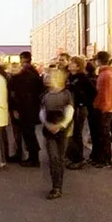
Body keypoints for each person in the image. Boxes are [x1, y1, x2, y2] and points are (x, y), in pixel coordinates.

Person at [39, 68, 75, 200]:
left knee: (59, 158)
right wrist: (47, 125)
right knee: (53, 158)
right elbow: (42, 111)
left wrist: (61, 125)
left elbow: (69, 111)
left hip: (62, 129)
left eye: (50, 77)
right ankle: (55, 186)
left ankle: (58, 185)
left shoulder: (66, 95)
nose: (47, 79)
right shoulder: (45, 96)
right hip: (49, 128)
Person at [8, 51, 43, 167]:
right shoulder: (34, 73)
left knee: (28, 133)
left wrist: (15, 108)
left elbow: (18, 93)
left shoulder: (23, 74)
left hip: (24, 108)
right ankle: (32, 157)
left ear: (22, 59)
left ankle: (33, 158)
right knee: (29, 133)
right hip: (32, 107)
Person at [64, 57, 94, 170]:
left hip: (79, 108)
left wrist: (83, 102)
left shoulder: (82, 78)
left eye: (72, 63)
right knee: (72, 133)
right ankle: (73, 156)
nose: (70, 64)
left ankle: (79, 158)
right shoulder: (70, 77)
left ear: (77, 66)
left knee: (76, 133)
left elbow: (92, 92)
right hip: (71, 107)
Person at [90, 51, 112, 168]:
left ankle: (105, 160)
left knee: (103, 135)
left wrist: (100, 107)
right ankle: (101, 158)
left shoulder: (105, 74)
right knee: (102, 135)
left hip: (104, 108)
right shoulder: (107, 73)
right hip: (107, 107)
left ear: (99, 60)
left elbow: (103, 94)